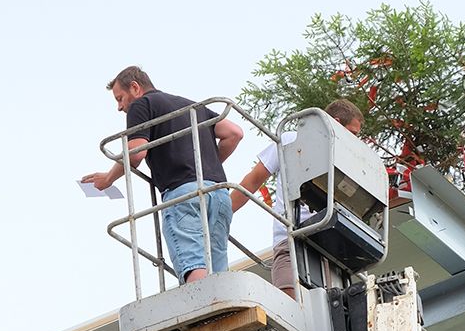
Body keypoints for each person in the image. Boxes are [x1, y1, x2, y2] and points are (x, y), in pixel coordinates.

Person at [83, 66, 243, 283]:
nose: (120, 107)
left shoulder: (142, 105)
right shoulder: (191, 105)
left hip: (183, 195)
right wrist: (201, 166)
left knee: (194, 266)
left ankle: (203, 313)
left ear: (135, 88)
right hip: (219, 193)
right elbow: (234, 133)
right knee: (217, 270)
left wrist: (108, 178)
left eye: (120, 98)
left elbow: (136, 153)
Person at [229, 99, 363, 297]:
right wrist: (221, 213)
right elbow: (253, 181)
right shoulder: (291, 140)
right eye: (352, 134)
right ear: (335, 122)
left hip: (329, 244)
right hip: (290, 239)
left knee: (333, 309)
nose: (354, 141)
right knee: (290, 304)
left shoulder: (345, 157)